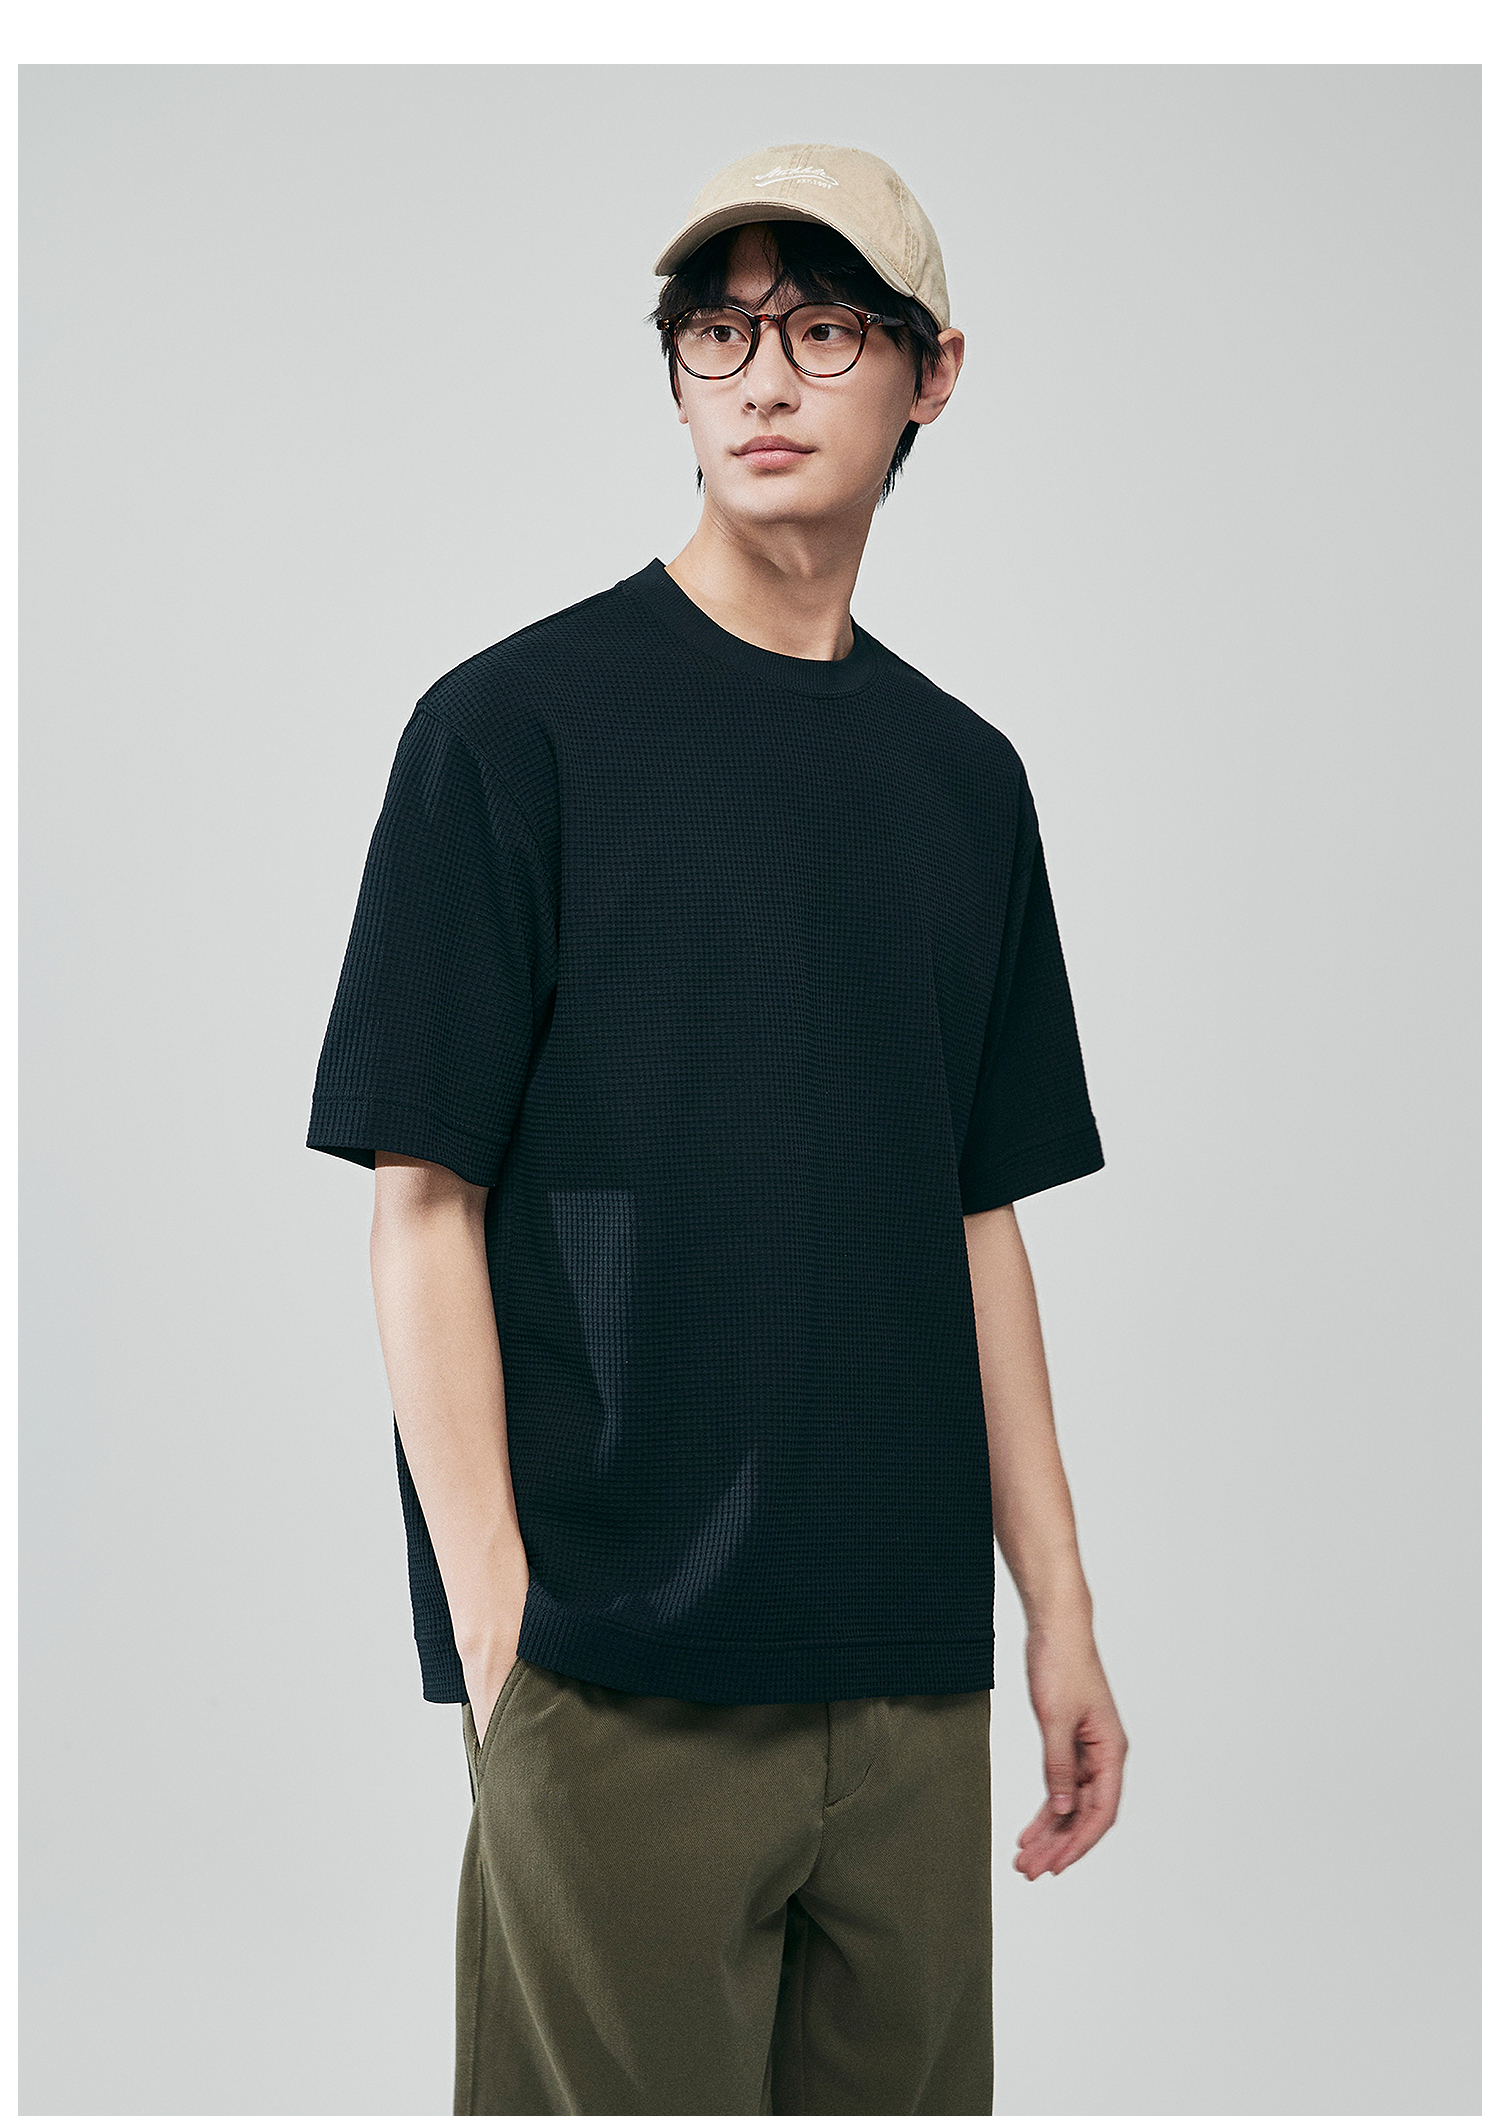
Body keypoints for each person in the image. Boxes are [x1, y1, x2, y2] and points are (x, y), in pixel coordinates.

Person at [307, 141, 1127, 2116]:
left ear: (931, 373)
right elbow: (422, 1196)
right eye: (718, 331)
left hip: (910, 1676)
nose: (762, 377)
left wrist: (1061, 1623)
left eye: (823, 329)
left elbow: (976, 1219)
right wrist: (503, 1633)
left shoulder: (966, 782)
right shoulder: (512, 732)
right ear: (674, 374)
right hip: (620, 1673)